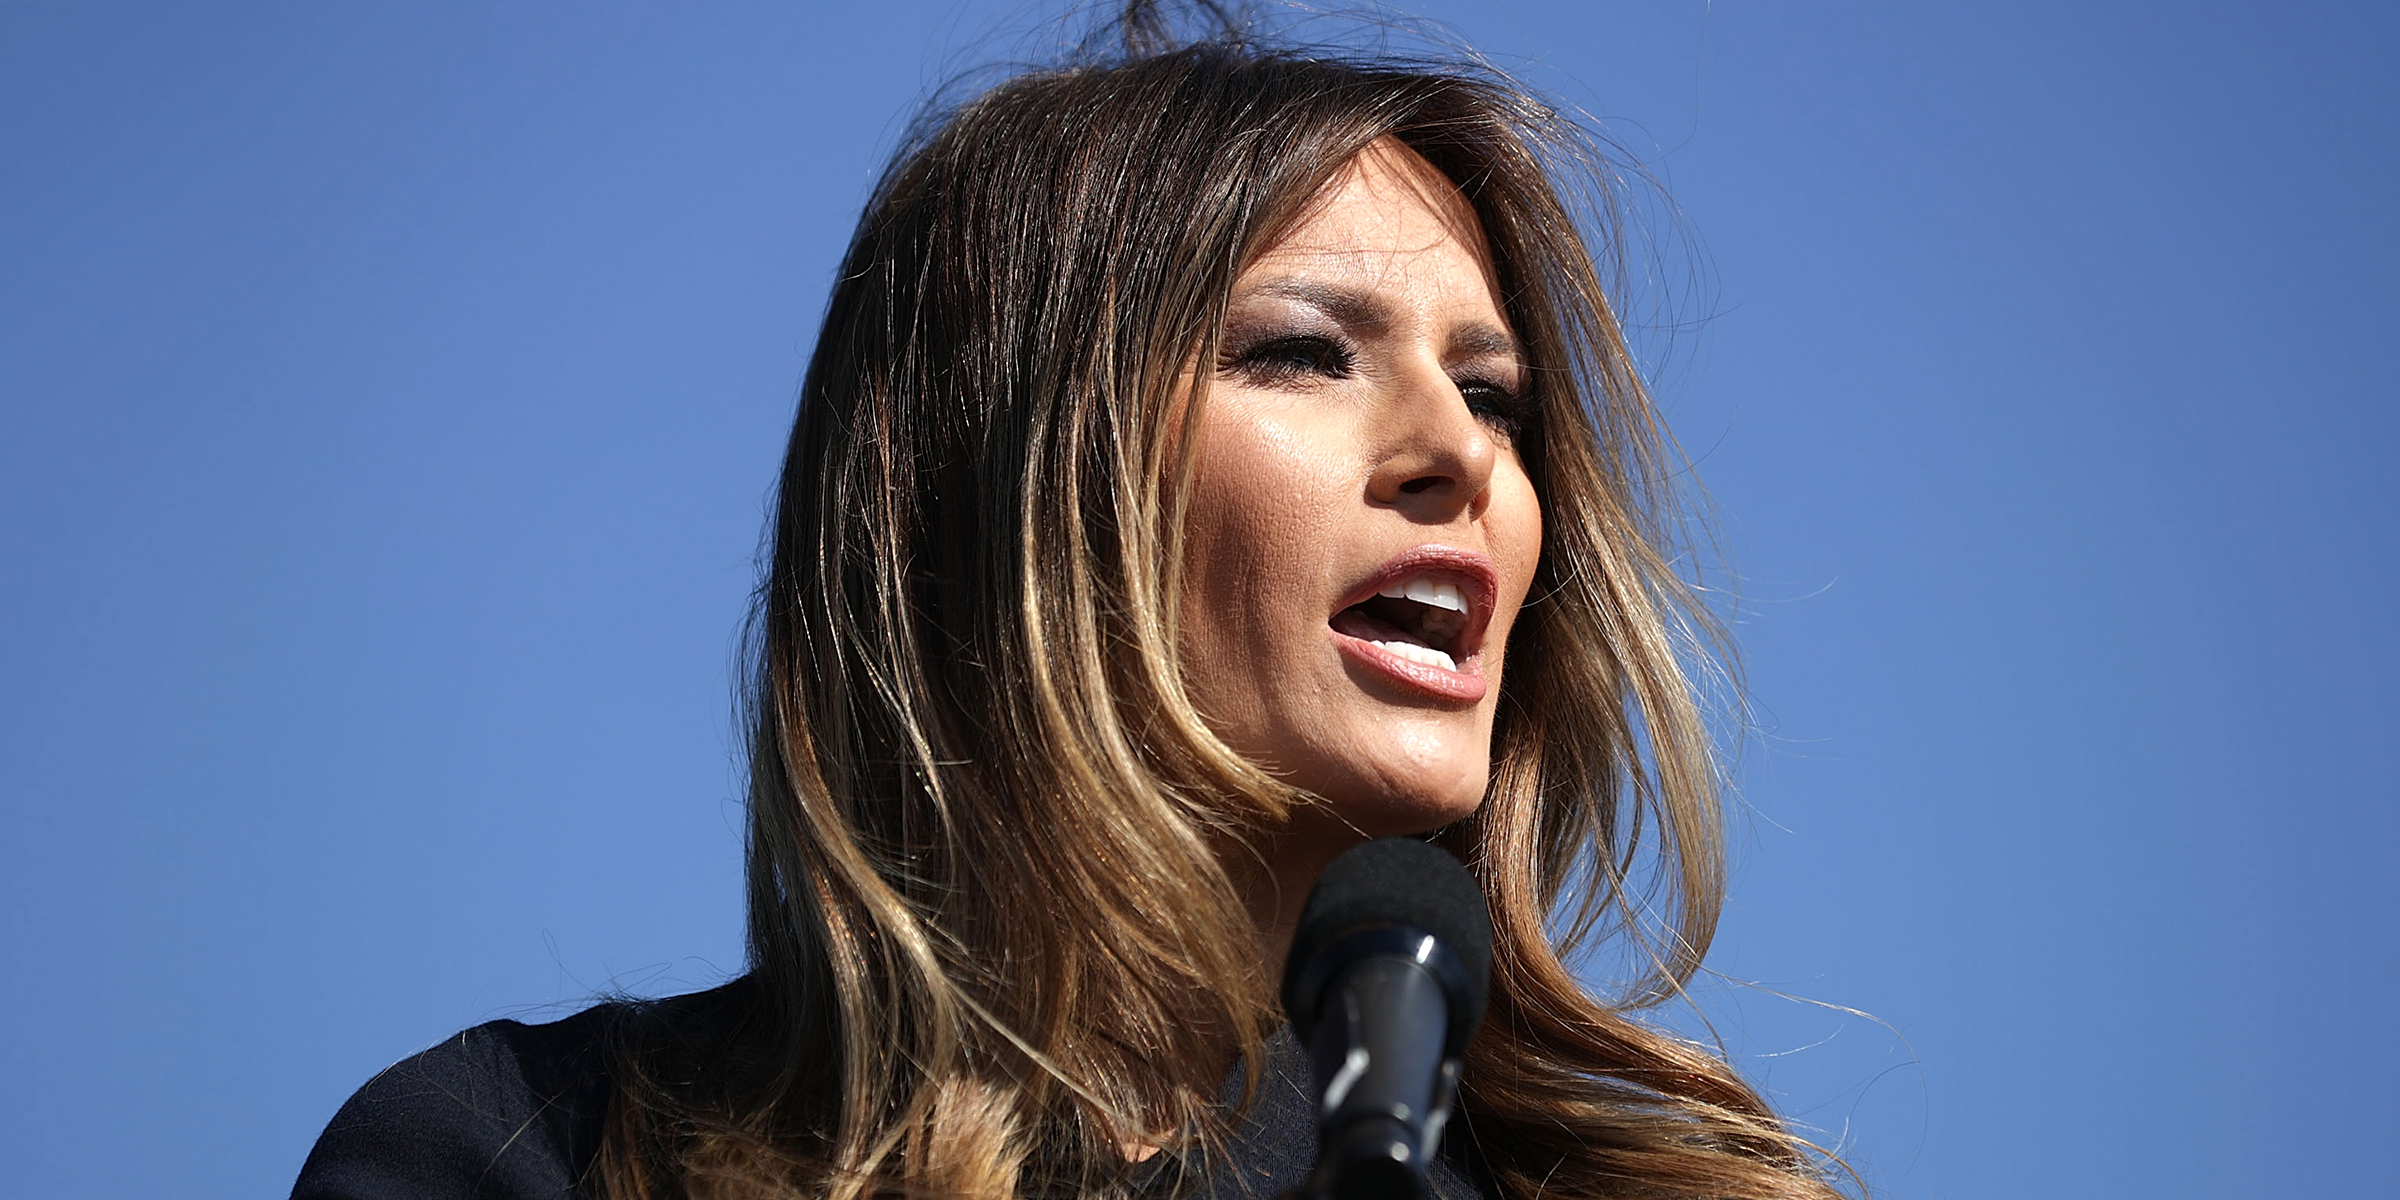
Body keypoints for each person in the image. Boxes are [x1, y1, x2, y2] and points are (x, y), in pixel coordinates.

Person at [292, 11, 1852, 1200]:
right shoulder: (537, 1157)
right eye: (1302, 350)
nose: (1458, 451)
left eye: (1494, 392)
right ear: (1001, 480)